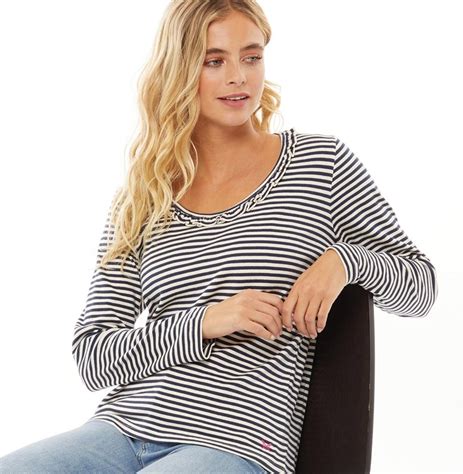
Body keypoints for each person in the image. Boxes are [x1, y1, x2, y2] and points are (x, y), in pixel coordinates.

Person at [0, 0, 439, 473]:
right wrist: (206, 321)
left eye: (251, 57)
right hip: (122, 429)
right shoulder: (144, 197)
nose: (239, 77)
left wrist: (347, 261)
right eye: (214, 61)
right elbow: (93, 356)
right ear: (179, 70)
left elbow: (423, 287)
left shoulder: (320, 164)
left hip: (237, 441)